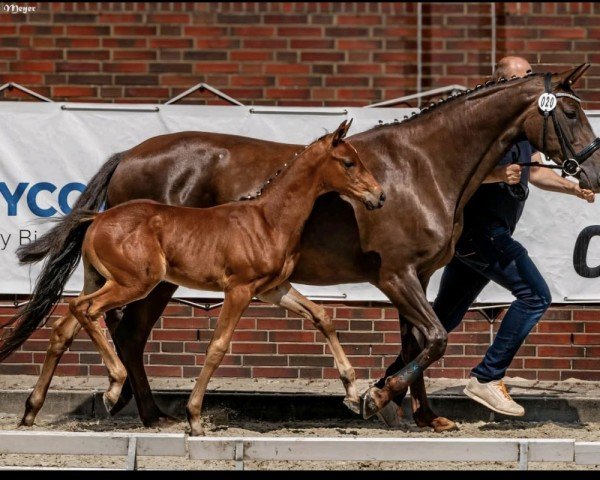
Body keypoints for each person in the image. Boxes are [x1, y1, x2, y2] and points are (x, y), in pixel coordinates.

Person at [376, 56, 595, 425]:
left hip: (482, 238)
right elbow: (454, 176)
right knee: (535, 295)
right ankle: (488, 376)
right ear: (498, 84)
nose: (525, 82)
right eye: (517, 77)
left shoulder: (523, 130)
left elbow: (537, 172)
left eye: (528, 76)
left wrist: (573, 190)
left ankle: (387, 387)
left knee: (441, 320)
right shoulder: (484, 131)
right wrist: (497, 175)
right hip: (480, 233)